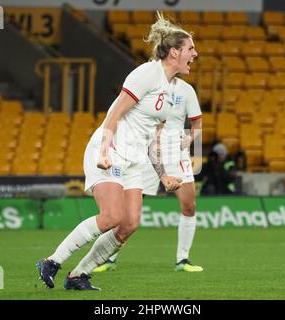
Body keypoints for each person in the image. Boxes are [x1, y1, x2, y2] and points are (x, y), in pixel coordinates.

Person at [36, 11, 198, 291]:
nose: (195, 54)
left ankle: (78, 276)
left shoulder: (173, 91)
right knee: (111, 216)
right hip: (112, 149)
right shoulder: (147, 73)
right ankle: (52, 261)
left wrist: (163, 175)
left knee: (129, 223)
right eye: (190, 49)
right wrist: (104, 151)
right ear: (174, 53)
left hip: (135, 159)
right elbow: (115, 113)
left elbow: (154, 139)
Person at [92, 75, 204, 273]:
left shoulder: (187, 90)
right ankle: (108, 258)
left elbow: (197, 124)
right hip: (148, 148)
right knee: (127, 211)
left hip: (176, 152)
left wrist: (189, 139)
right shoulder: (148, 83)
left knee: (189, 205)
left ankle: (182, 260)